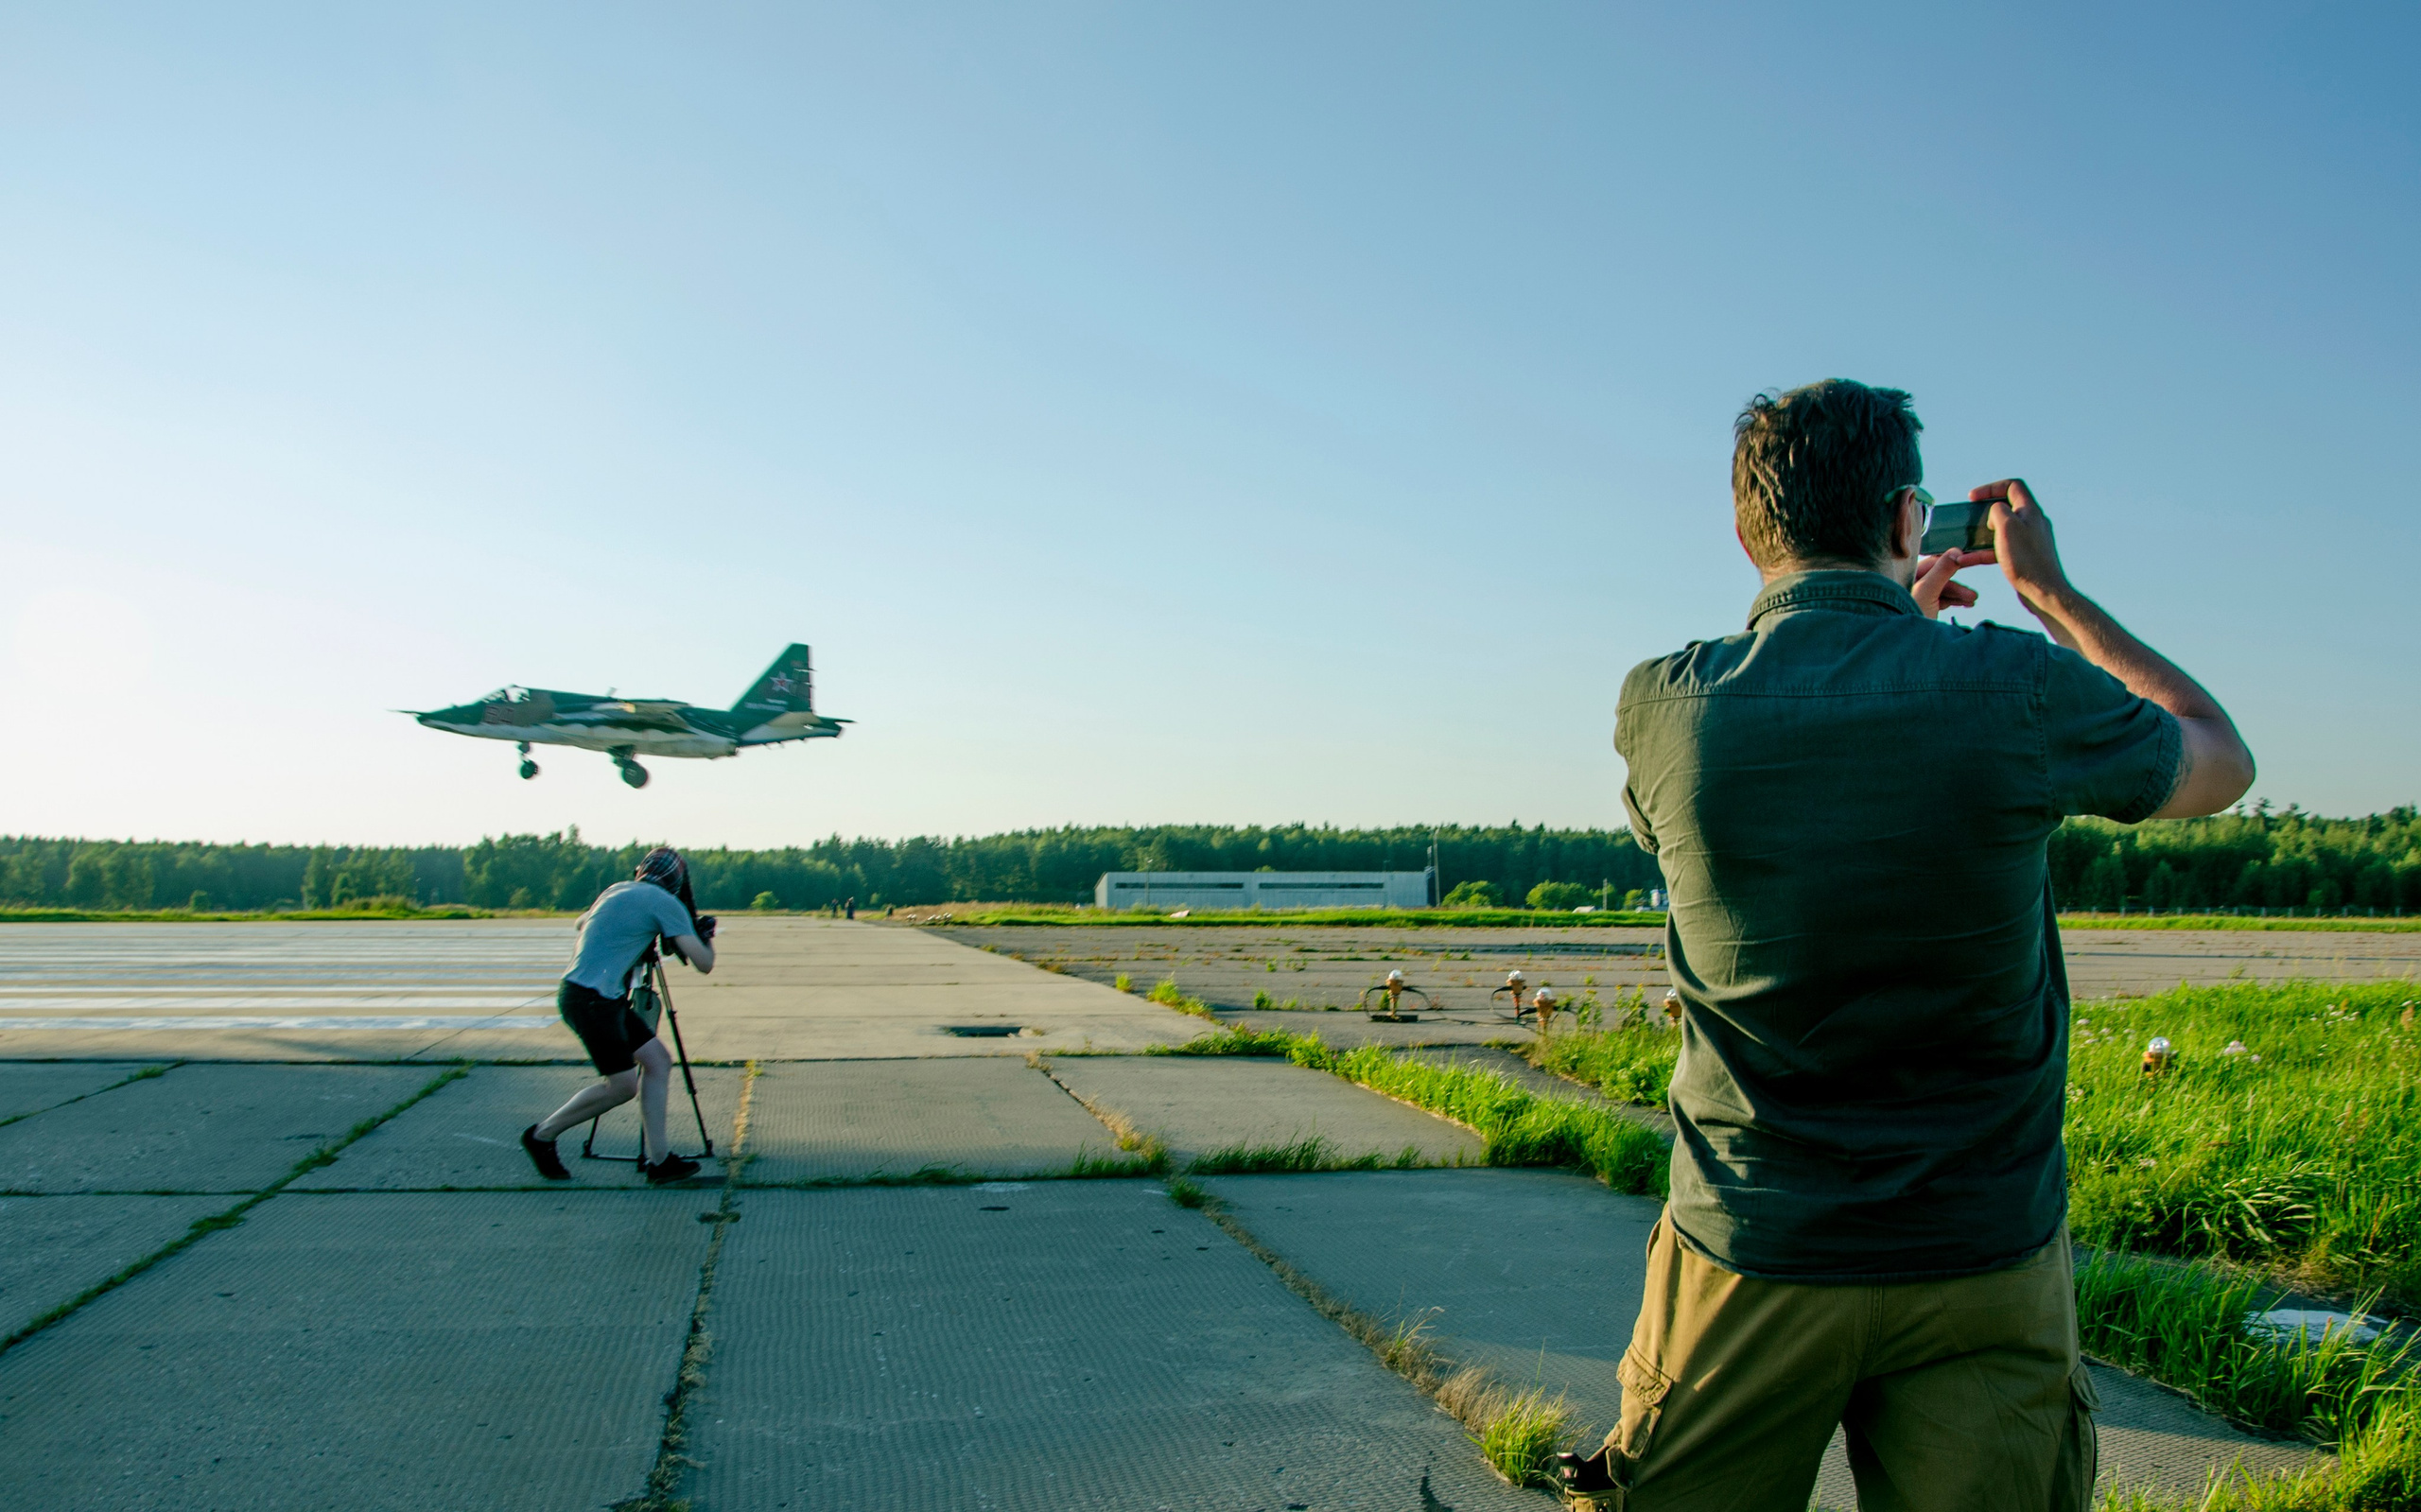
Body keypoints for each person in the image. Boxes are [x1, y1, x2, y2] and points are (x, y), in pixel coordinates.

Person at [1561, 380, 2254, 1511]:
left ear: (1744, 532)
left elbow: (1732, 793)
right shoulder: (2016, 690)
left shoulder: (1664, 705)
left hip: (1748, 1247)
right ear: (1904, 519)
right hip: (1979, 1251)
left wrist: (1888, 643)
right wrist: (2052, 597)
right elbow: (2217, 759)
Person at [520, 847, 721, 1186]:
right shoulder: (666, 903)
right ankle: (542, 1135)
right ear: (676, 882)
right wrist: (706, 936)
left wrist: (627, 930)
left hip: (590, 995)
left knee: (657, 1061)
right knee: (622, 1087)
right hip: (593, 1001)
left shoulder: (616, 889)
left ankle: (661, 1162)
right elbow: (704, 963)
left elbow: (580, 923)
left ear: (642, 870)